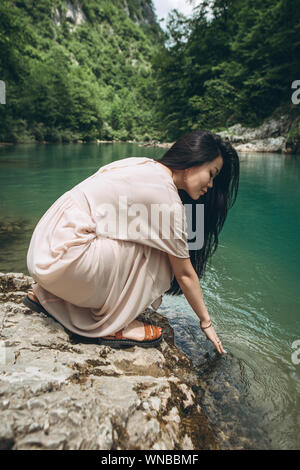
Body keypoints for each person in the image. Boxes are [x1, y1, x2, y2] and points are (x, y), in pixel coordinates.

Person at [23, 130, 239, 353]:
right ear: (194, 161)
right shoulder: (167, 200)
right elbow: (184, 274)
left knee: (141, 234)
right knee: (161, 255)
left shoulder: (141, 164)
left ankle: (47, 295)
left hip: (45, 249)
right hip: (66, 259)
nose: (211, 185)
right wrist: (206, 322)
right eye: (211, 174)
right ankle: (114, 325)